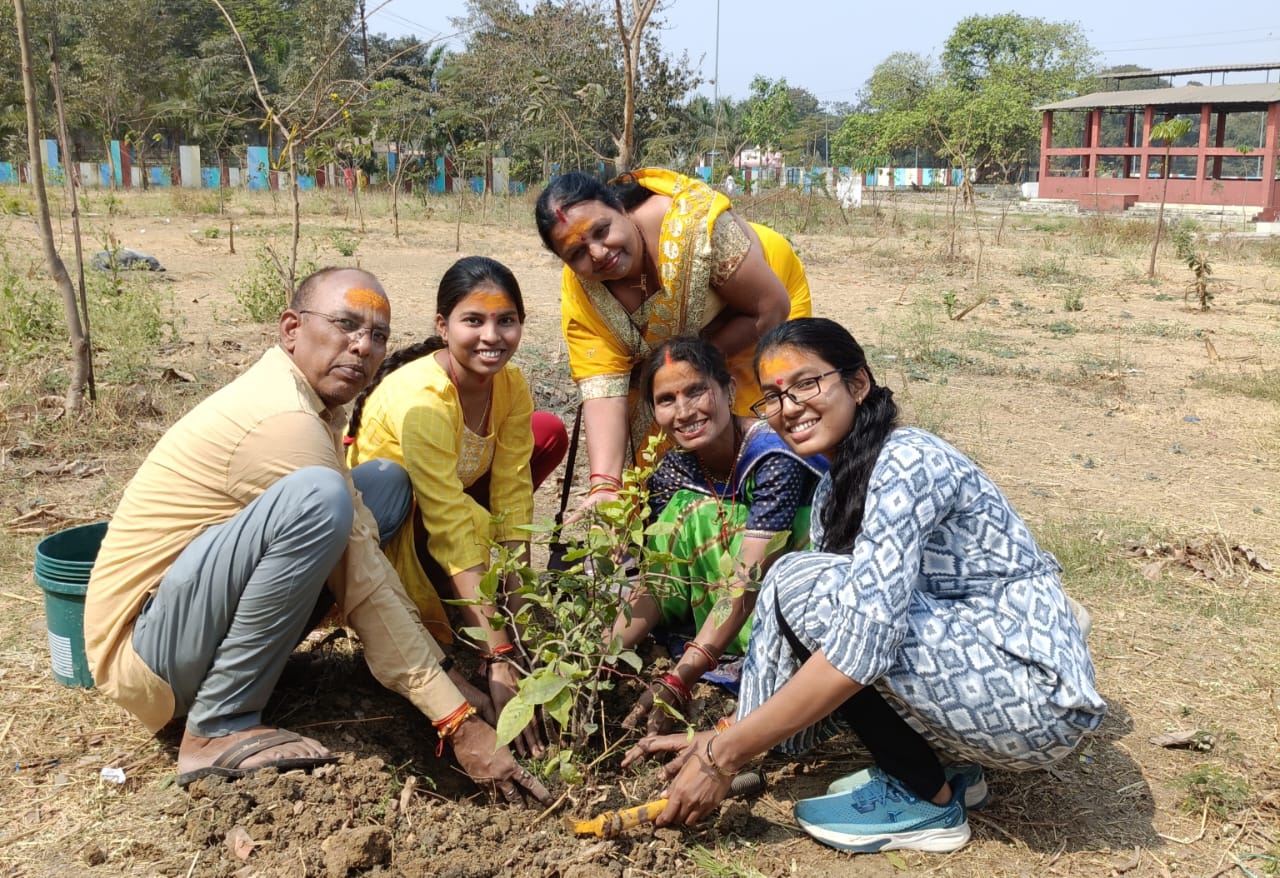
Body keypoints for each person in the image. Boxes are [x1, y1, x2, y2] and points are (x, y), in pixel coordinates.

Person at [623, 317, 1105, 853]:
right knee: (810, 592)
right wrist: (726, 732)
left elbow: (858, 644)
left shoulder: (906, 461)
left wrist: (724, 756)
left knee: (804, 584)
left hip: (1033, 698)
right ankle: (949, 770)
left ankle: (928, 797)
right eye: (776, 395)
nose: (790, 407)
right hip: (987, 674)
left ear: (857, 383)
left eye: (807, 384)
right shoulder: (837, 485)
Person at [85, 267, 549, 805]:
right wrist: (459, 722)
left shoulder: (312, 403)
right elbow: (365, 582)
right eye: (345, 324)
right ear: (291, 329)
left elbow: (368, 557)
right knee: (322, 500)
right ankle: (217, 724)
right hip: (147, 657)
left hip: (183, 621)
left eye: (377, 336)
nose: (362, 347)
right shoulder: (284, 418)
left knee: (383, 486)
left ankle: (244, 680)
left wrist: (449, 672)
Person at [345, 256, 567, 755]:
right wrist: (500, 654)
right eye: (474, 321)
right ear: (443, 327)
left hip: (448, 503)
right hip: (392, 521)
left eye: (505, 321)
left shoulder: (511, 385)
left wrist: (519, 613)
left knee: (501, 501)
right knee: (467, 527)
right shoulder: (423, 399)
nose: (492, 336)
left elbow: (513, 494)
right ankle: (458, 627)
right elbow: (446, 522)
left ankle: (487, 618)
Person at [534, 168, 812, 516]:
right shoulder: (581, 292)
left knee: (736, 420)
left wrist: (681, 372)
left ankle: (764, 519)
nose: (598, 252)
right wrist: (605, 483)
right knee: (655, 411)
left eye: (602, 231)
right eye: (576, 253)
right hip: (668, 353)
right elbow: (603, 386)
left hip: (759, 311)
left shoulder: (696, 226)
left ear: (619, 207)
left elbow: (768, 310)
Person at [613, 336, 827, 734]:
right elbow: (657, 582)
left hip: (791, 596)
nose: (684, 411)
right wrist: (602, 657)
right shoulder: (672, 472)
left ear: (728, 390)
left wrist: (681, 677)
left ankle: (750, 652)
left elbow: (748, 580)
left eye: (696, 391)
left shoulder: (773, 455)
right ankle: (714, 643)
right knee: (684, 516)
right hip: (731, 599)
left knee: (702, 517)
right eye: (666, 400)